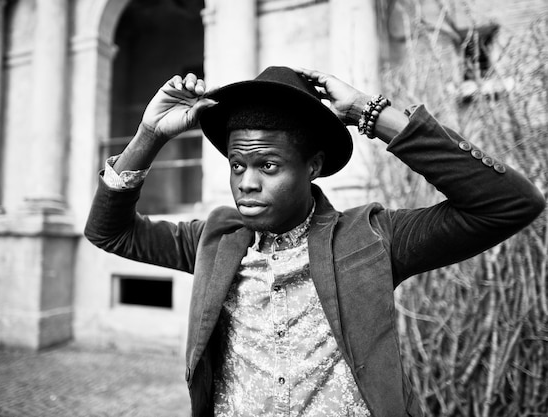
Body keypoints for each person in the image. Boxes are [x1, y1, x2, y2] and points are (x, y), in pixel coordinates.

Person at [84, 66, 545, 417]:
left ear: (314, 166)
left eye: (268, 166)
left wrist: (370, 112)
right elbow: (109, 231)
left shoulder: (372, 238)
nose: (246, 183)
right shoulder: (213, 239)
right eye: (237, 165)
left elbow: (508, 203)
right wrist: (148, 135)